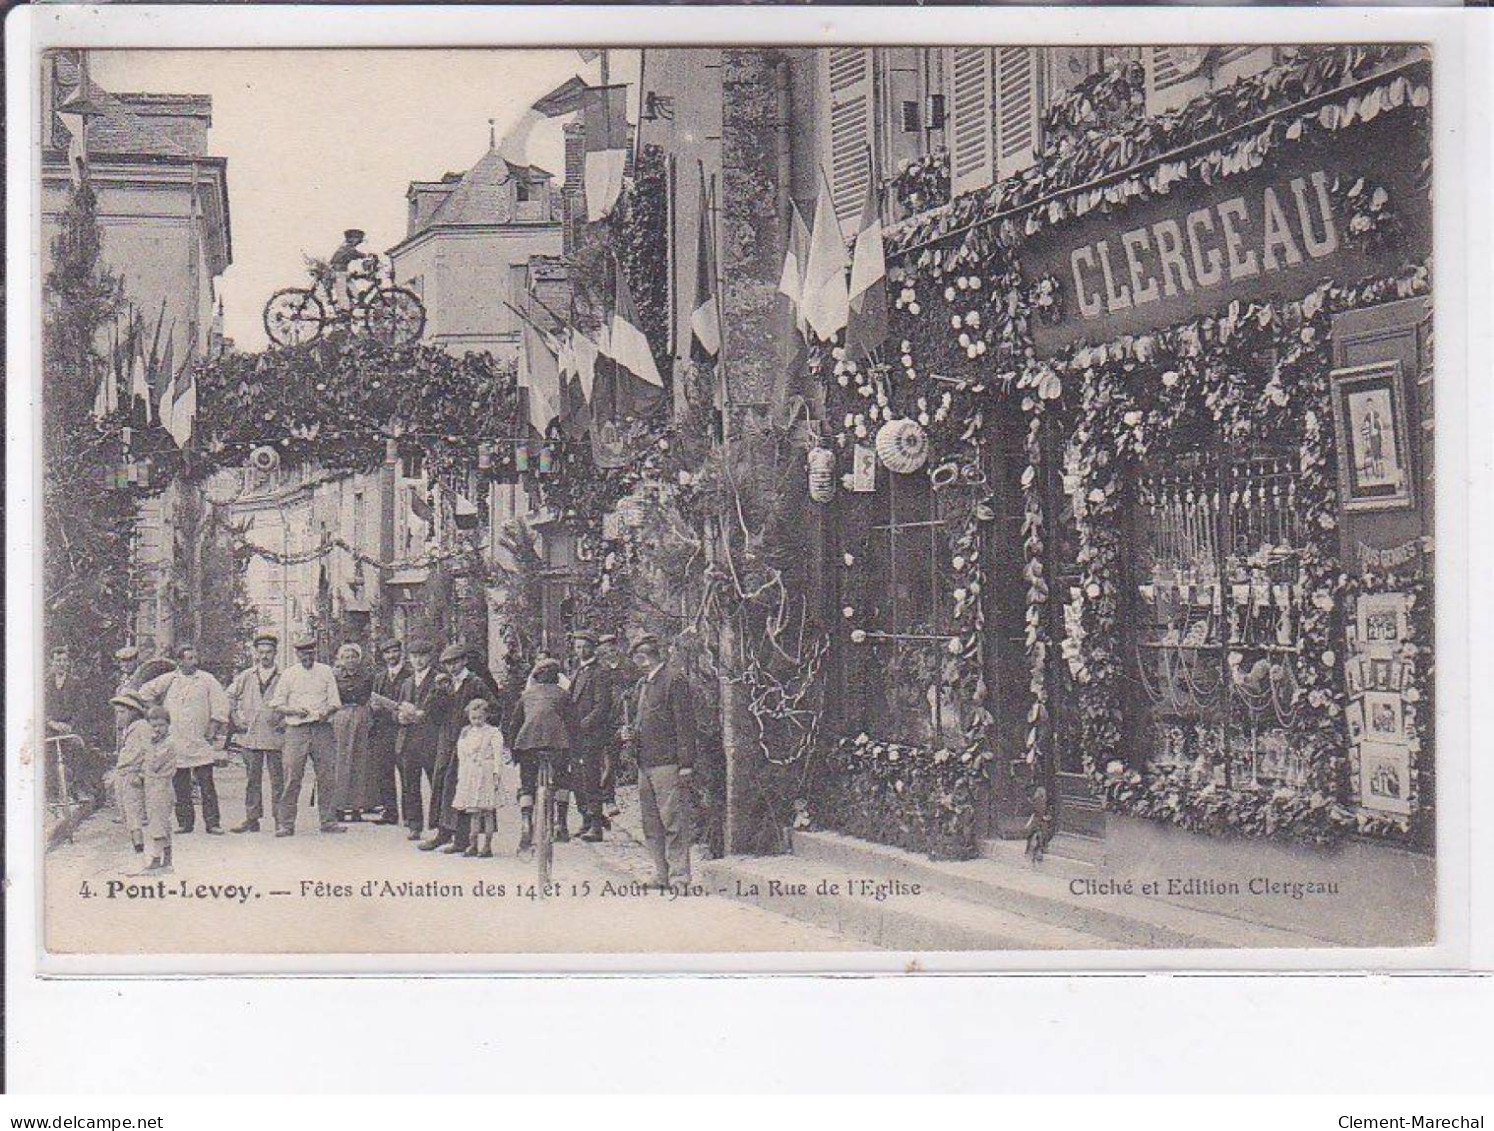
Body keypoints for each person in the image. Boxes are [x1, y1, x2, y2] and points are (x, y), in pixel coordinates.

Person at [624, 634, 697, 890]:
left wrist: (686, 763)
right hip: (646, 762)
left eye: (637, 658)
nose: (636, 664)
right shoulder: (645, 684)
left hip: (667, 762)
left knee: (673, 822)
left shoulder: (673, 680)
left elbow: (685, 724)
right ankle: (661, 874)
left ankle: (680, 876)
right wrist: (631, 733)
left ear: (644, 656)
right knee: (651, 823)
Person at [139, 643, 231, 835]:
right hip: (176, 739)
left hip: (200, 741)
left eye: (195, 658)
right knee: (180, 785)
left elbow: (220, 705)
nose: (193, 662)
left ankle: (212, 823)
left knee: (206, 784)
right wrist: (155, 713)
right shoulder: (170, 680)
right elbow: (145, 692)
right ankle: (185, 823)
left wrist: (212, 729)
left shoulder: (207, 680)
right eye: (188, 659)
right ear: (179, 661)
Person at [420, 643, 499, 855]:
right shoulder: (444, 683)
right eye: (447, 664)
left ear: (464, 661)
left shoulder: (475, 683)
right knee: (441, 783)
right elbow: (430, 713)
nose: (451, 667)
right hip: (446, 739)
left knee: (464, 786)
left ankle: (463, 838)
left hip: (469, 743)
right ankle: (442, 832)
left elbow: (493, 709)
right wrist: (438, 693)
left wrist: (475, 724)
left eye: (454, 662)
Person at [267, 633, 344, 836]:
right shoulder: (289, 674)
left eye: (310, 654)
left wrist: (325, 712)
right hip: (296, 730)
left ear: (315, 652)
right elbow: (277, 704)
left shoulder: (326, 672)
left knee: (327, 776)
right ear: (297, 654)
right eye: (303, 655)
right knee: (292, 776)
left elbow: (335, 702)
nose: (307, 658)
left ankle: (328, 821)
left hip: (322, 729)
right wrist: (293, 711)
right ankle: (286, 823)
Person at [507, 657, 576, 854]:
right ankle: (561, 823)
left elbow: (514, 724)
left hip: (528, 745)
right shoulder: (564, 695)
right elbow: (573, 725)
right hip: (557, 745)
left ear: (537, 677)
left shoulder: (526, 695)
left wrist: (513, 750)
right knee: (563, 779)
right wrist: (575, 752)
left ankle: (526, 823)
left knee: (527, 784)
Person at [226, 631, 285, 834]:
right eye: (261, 652)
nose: (264, 656)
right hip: (251, 735)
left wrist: (285, 720)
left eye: (269, 652)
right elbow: (230, 696)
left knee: (278, 779)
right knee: (252, 779)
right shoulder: (246, 676)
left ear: (275, 653)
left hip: (276, 735)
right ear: (256, 654)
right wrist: (235, 717)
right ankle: (252, 819)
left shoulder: (283, 677)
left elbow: (294, 700)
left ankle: (281, 819)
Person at [44, 643, 106, 810]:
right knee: (47, 755)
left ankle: (77, 789)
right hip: (51, 727)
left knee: (77, 749)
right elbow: (40, 708)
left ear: (68, 663)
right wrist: (51, 722)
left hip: (71, 728)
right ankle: (52, 793)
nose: (61, 664)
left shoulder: (75, 683)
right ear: (52, 662)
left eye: (64, 660)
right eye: (58, 660)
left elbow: (81, 708)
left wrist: (70, 725)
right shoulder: (45, 683)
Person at [567, 630, 615, 842]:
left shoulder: (600, 672)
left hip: (591, 734)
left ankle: (596, 824)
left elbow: (602, 706)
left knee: (591, 778)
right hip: (576, 735)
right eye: (577, 647)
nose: (581, 651)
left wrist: (583, 724)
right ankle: (586, 819)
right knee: (578, 778)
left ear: (593, 648)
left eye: (585, 647)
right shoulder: (578, 671)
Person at [394, 637, 444, 842]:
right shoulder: (406, 682)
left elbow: (443, 705)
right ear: (409, 658)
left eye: (422, 656)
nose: (418, 661)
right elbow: (398, 706)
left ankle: (442, 825)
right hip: (409, 739)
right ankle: (414, 825)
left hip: (430, 738)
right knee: (409, 784)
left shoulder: (438, 679)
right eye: (414, 656)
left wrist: (424, 713)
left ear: (430, 657)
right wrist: (399, 717)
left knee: (436, 782)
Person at [452, 698, 505, 858]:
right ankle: (472, 844)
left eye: (479, 718)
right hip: (471, 773)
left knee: (487, 811)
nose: (476, 722)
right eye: (473, 718)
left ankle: (487, 846)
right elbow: (462, 755)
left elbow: (498, 756)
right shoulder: (466, 732)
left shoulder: (493, 733)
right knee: (473, 811)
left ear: (486, 716)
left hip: (486, 774)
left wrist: (496, 774)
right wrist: (462, 775)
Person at [331, 643, 377, 822]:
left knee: (360, 762)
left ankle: (358, 806)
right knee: (341, 762)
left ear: (359, 658)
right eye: (346, 657)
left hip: (361, 716)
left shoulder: (367, 676)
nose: (350, 660)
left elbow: (372, 697)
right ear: (340, 659)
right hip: (341, 717)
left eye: (353, 657)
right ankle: (339, 807)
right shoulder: (334, 676)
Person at [368, 638, 410, 825]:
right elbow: (373, 703)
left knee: (407, 772)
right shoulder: (379, 677)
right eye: (387, 653)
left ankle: (410, 815)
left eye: (394, 652)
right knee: (384, 772)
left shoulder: (410, 675)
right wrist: (374, 708)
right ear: (383, 656)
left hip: (403, 730)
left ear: (401, 653)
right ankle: (390, 812)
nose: (391, 656)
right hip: (383, 730)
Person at [595, 633, 635, 820]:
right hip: (598, 722)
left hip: (618, 721)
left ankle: (607, 797)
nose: (610, 652)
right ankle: (603, 798)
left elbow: (637, 685)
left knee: (611, 761)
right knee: (599, 762)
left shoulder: (627, 668)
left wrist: (630, 693)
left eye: (612, 648)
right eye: (605, 649)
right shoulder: (597, 669)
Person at [138, 705, 180, 874]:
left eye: (161, 725)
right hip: (153, 786)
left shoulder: (168, 743)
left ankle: (156, 860)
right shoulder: (158, 743)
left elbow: (154, 764)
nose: (157, 729)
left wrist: (147, 746)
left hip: (161, 787)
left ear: (168, 724)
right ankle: (167, 861)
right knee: (162, 823)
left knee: (157, 824)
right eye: (153, 725)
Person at [110, 691, 152, 856]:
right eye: (117, 713)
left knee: (134, 813)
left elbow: (150, 752)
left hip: (133, 774)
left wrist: (141, 774)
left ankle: (140, 849)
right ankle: (137, 847)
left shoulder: (142, 727)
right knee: (126, 813)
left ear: (133, 711)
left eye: (122, 713)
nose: (118, 717)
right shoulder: (129, 729)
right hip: (123, 773)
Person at [328, 228, 367, 310]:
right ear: (352, 239)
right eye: (357, 240)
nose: (358, 242)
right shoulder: (347, 247)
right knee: (342, 292)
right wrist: (366, 256)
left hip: (342, 271)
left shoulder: (347, 246)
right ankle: (344, 310)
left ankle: (359, 298)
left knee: (351, 285)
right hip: (337, 271)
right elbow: (354, 253)